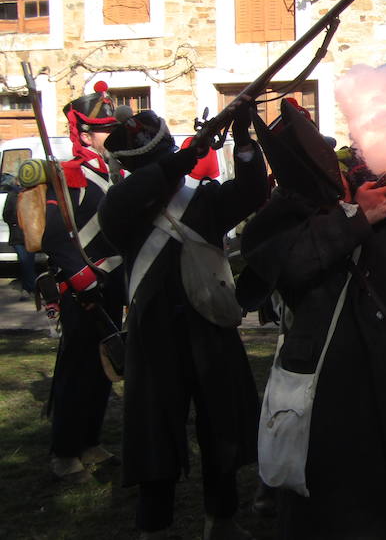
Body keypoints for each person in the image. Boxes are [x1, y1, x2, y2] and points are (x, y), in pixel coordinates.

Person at [99, 106, 267, 540]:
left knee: (223, 426)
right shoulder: (123, 204)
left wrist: (244, 141)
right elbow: (139, 193)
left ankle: (222, 517)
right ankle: (153, 526)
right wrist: (186, 156)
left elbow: (251, 194)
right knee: (154, 431)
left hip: (208, 324)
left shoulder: (202, 198)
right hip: (154, 334)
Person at [40, 89, 126, 482]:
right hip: (82, 290)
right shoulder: (69, 176)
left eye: (112, 128)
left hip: (113, 284)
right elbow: (55, 236)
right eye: (102, 130)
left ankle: (89, 441)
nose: (111, 135)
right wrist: (81, 278)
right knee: (77, 370)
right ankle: (64, 451)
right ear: (85, 135)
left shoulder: (119, 174)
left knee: (103, 368)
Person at [2, 177, 37, 300]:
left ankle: (30, 288)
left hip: (28, 233)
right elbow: (6, 214)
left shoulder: (30, 193)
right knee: (25, 261)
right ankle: (30, 288)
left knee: (28, 261)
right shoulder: (14, 195)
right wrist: (16, 223)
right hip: (20, 234)